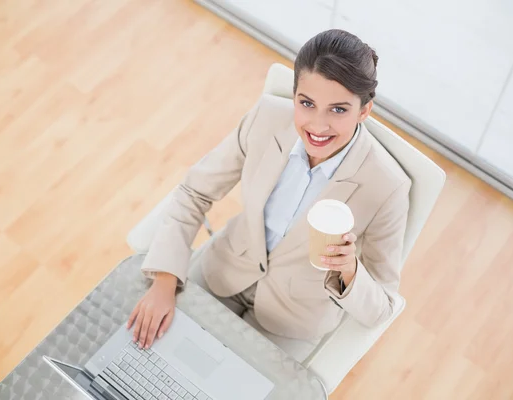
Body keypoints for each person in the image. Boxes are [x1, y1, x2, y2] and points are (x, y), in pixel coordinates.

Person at [128, 29, 411, 362]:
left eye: (338, 110)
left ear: (364, 111)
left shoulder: (387, 187)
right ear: (294, 96)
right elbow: (194, 191)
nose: (317, 126)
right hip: (223, 274)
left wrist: (349, 271)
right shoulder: (266, 117)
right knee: (147, 362)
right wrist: (165, 280)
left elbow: (382, 308)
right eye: (307, 103)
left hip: (291, 322)